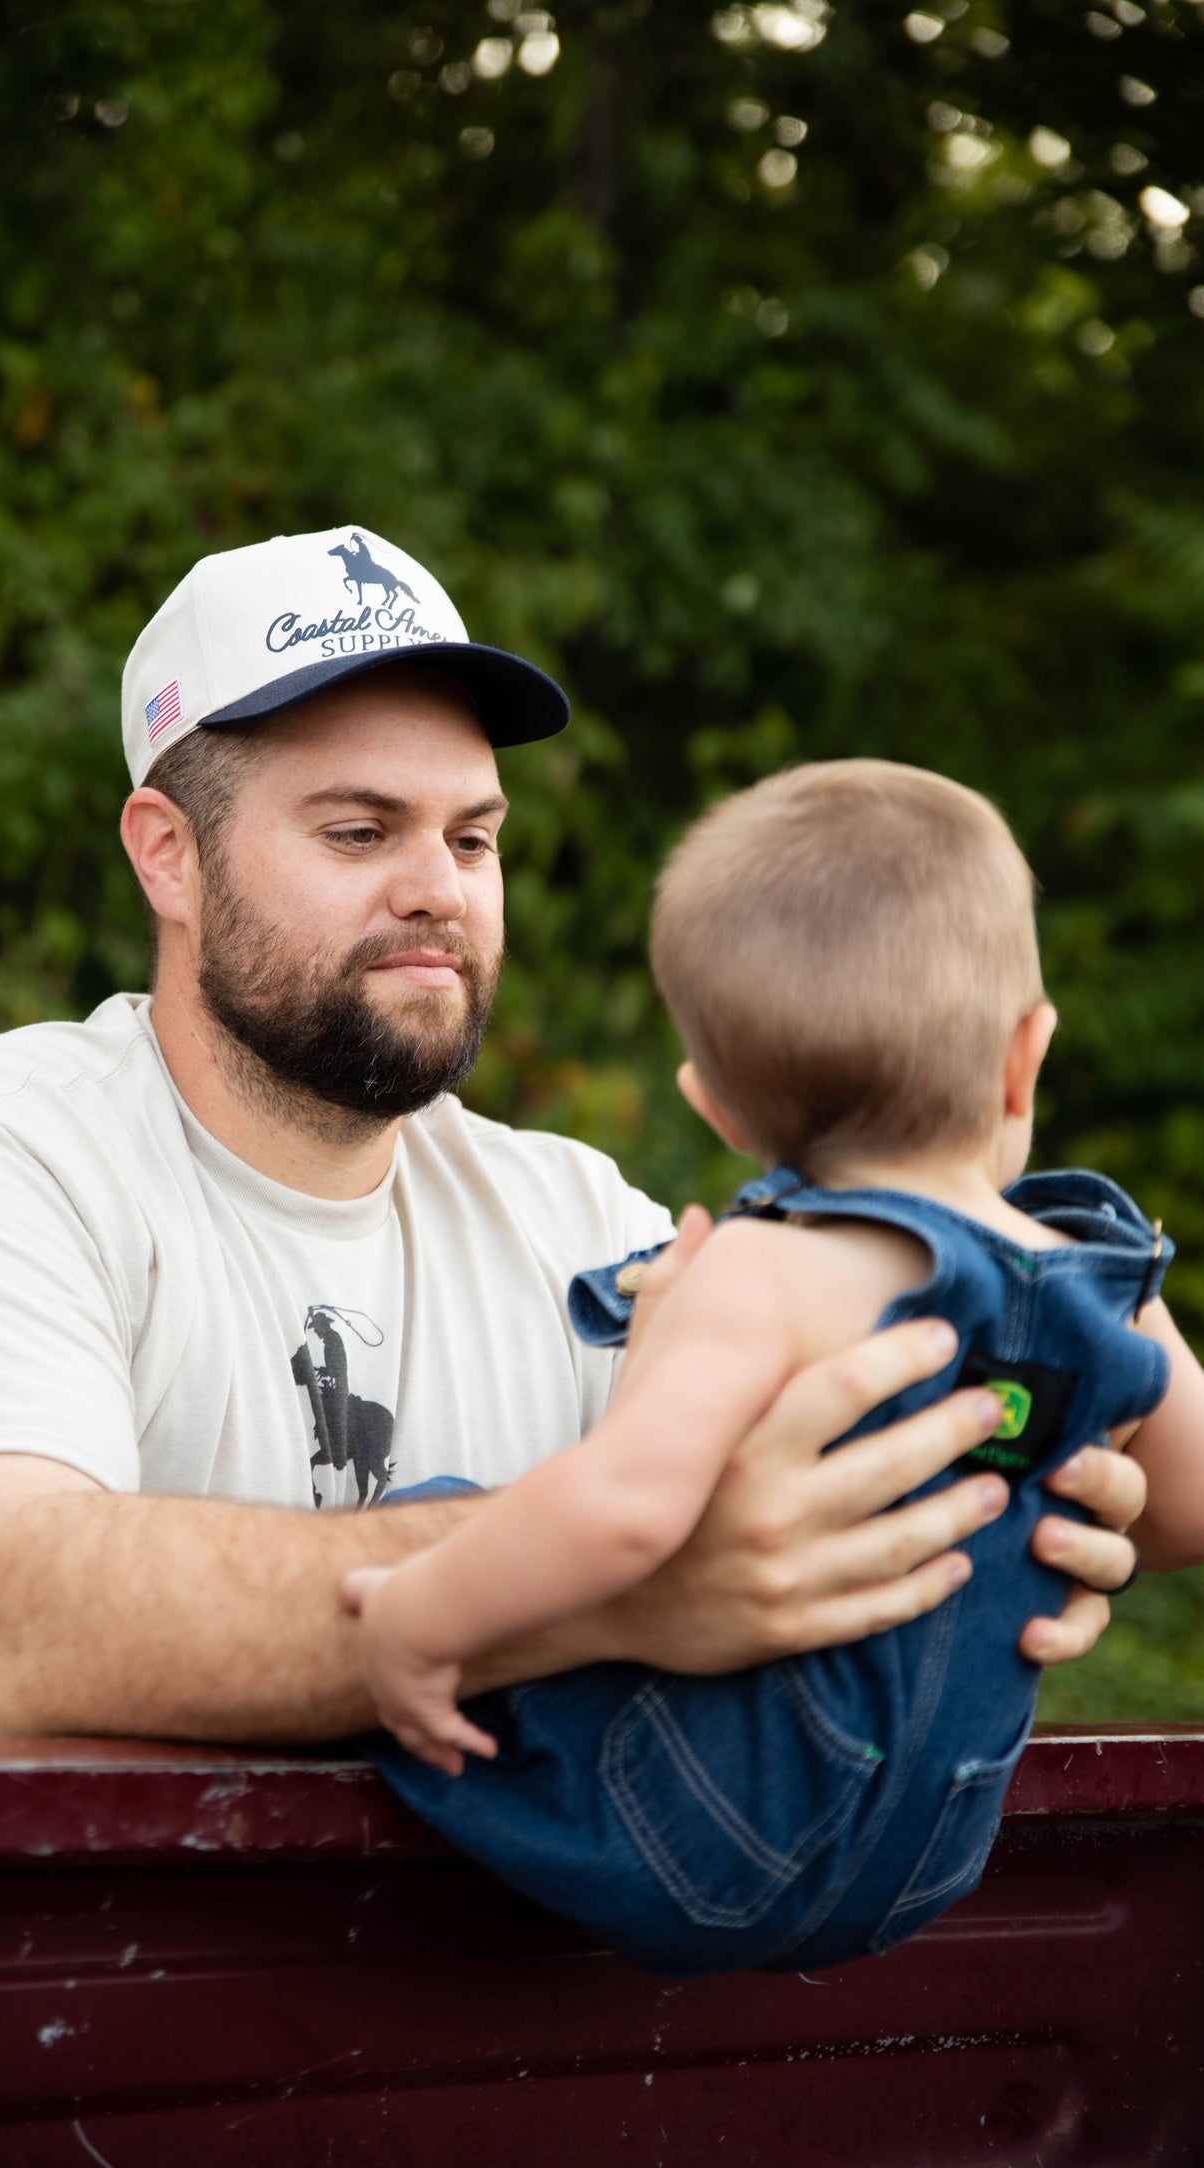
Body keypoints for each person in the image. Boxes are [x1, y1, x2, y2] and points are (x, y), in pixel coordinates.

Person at [0, 532, 1143, 1750]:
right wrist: (621, 1581)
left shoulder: (579, 1221)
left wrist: (984, 1508)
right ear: (166, 854)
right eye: (360, 830)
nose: (437, 890)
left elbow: (815, 1503)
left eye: (472, 840)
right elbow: (4, 1639)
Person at [345, 761, 1204, 1975]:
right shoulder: (1104, 1278)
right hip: (939, 1853)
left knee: (429, 1521)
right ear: (1025, 1056)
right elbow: (1186, 1507)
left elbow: (624, 1507)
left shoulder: (758, 1269)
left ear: (717, 1110)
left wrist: (417, 1619)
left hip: (709, 1832)